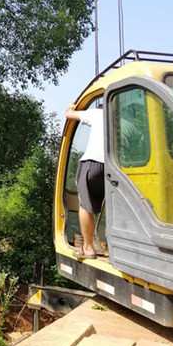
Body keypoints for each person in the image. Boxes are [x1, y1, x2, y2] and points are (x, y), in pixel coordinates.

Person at [65, 102, 105, 259]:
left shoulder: (96, 114)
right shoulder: (126, 122)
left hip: (92, 163)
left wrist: (71, 107)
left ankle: (88, 247)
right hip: (115, 167)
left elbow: (69, 115)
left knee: (85, 205)